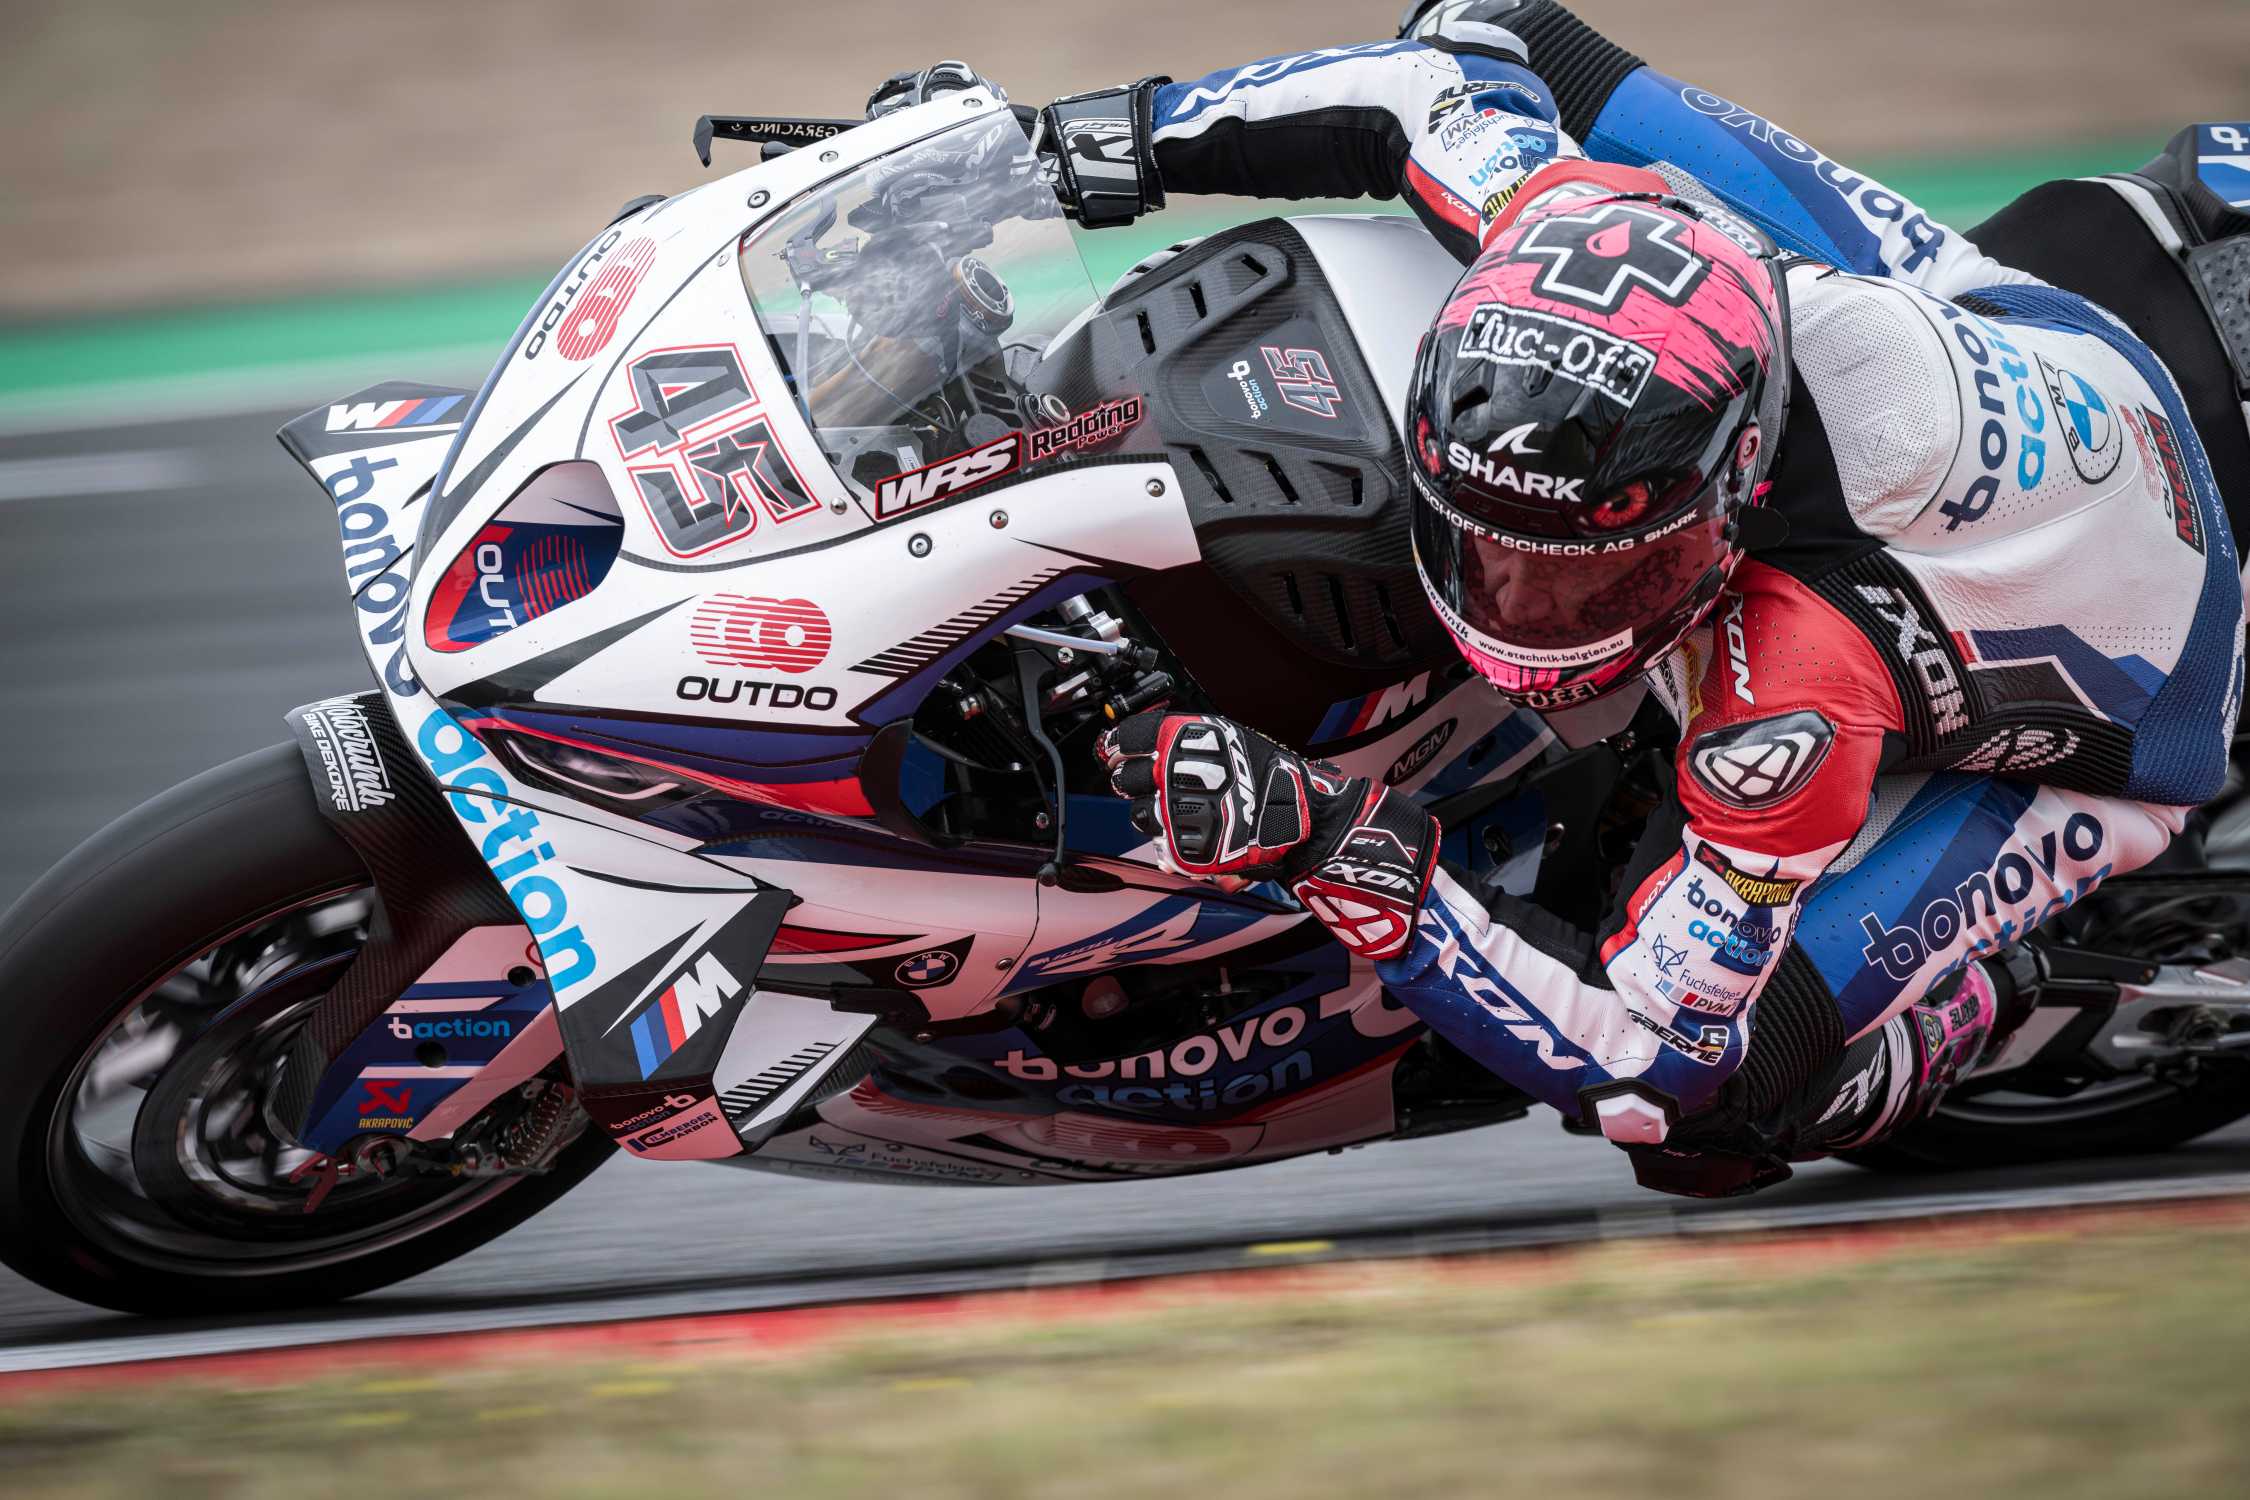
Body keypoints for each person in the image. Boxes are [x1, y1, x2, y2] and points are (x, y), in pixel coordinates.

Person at [873, 2, 2249, 1193]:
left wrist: (1330, 842)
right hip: (2027, 330)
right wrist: (1054, 147)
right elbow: (1443, 74)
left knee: (1711, 1121)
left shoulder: (1796, 696)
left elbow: (1645, 1054)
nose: (1524, 603)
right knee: (1517, 28)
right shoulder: (1571, 222)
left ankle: (1974, 1010)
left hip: (2125, 704)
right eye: (1489, 548)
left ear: (1730, 494)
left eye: (1602, 570)